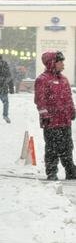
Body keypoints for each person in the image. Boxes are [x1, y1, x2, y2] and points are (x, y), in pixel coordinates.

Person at [34, 51, 76, 180]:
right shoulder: (42, 80)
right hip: (51, 121)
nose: (63, 64)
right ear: (52, 63)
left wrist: (72, 110)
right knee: (52, 148)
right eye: (60, 61)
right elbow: (40, 100)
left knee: (67, 147)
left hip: (65, 120)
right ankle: (52, 172)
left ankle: (70, 170)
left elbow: (68, 98)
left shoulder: (64, 80)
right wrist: (44, 115)